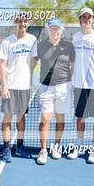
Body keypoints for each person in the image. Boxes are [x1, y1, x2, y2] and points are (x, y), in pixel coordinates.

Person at [69, 7, 94, 164]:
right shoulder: (75, 37)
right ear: (80, 20)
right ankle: (79, 146)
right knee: (80, 118)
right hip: (79, 85)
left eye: (89, 17)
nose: (86, 20)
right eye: (83, 17)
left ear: (93, 19)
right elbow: (72, 61)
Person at [0, 13, 38, 163]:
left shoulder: (32, 40)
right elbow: (2, 65)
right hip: (10, 86)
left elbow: (34, 60)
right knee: (7, 118)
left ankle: (20, 145)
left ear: (28, 23)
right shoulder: (7, 41)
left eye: (25, 21)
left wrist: (26, 76)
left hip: (24, 87)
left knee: (21, 117)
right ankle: (7, 148)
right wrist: (4, 86)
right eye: (20, 21)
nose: (22, 24)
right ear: (16, 22)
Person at [36, 18, 75, 165]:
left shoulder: (69, 46)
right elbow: (32, 62)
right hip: (46, 87)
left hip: (64, 87)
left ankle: (57, 146)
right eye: (52, 28)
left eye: (57, 29)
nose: (55, 31)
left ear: (61, 30)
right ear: (48, 30)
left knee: (60, 119)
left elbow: (73, 66)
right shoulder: (41, 46)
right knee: (45, 118)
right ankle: (43, 150)